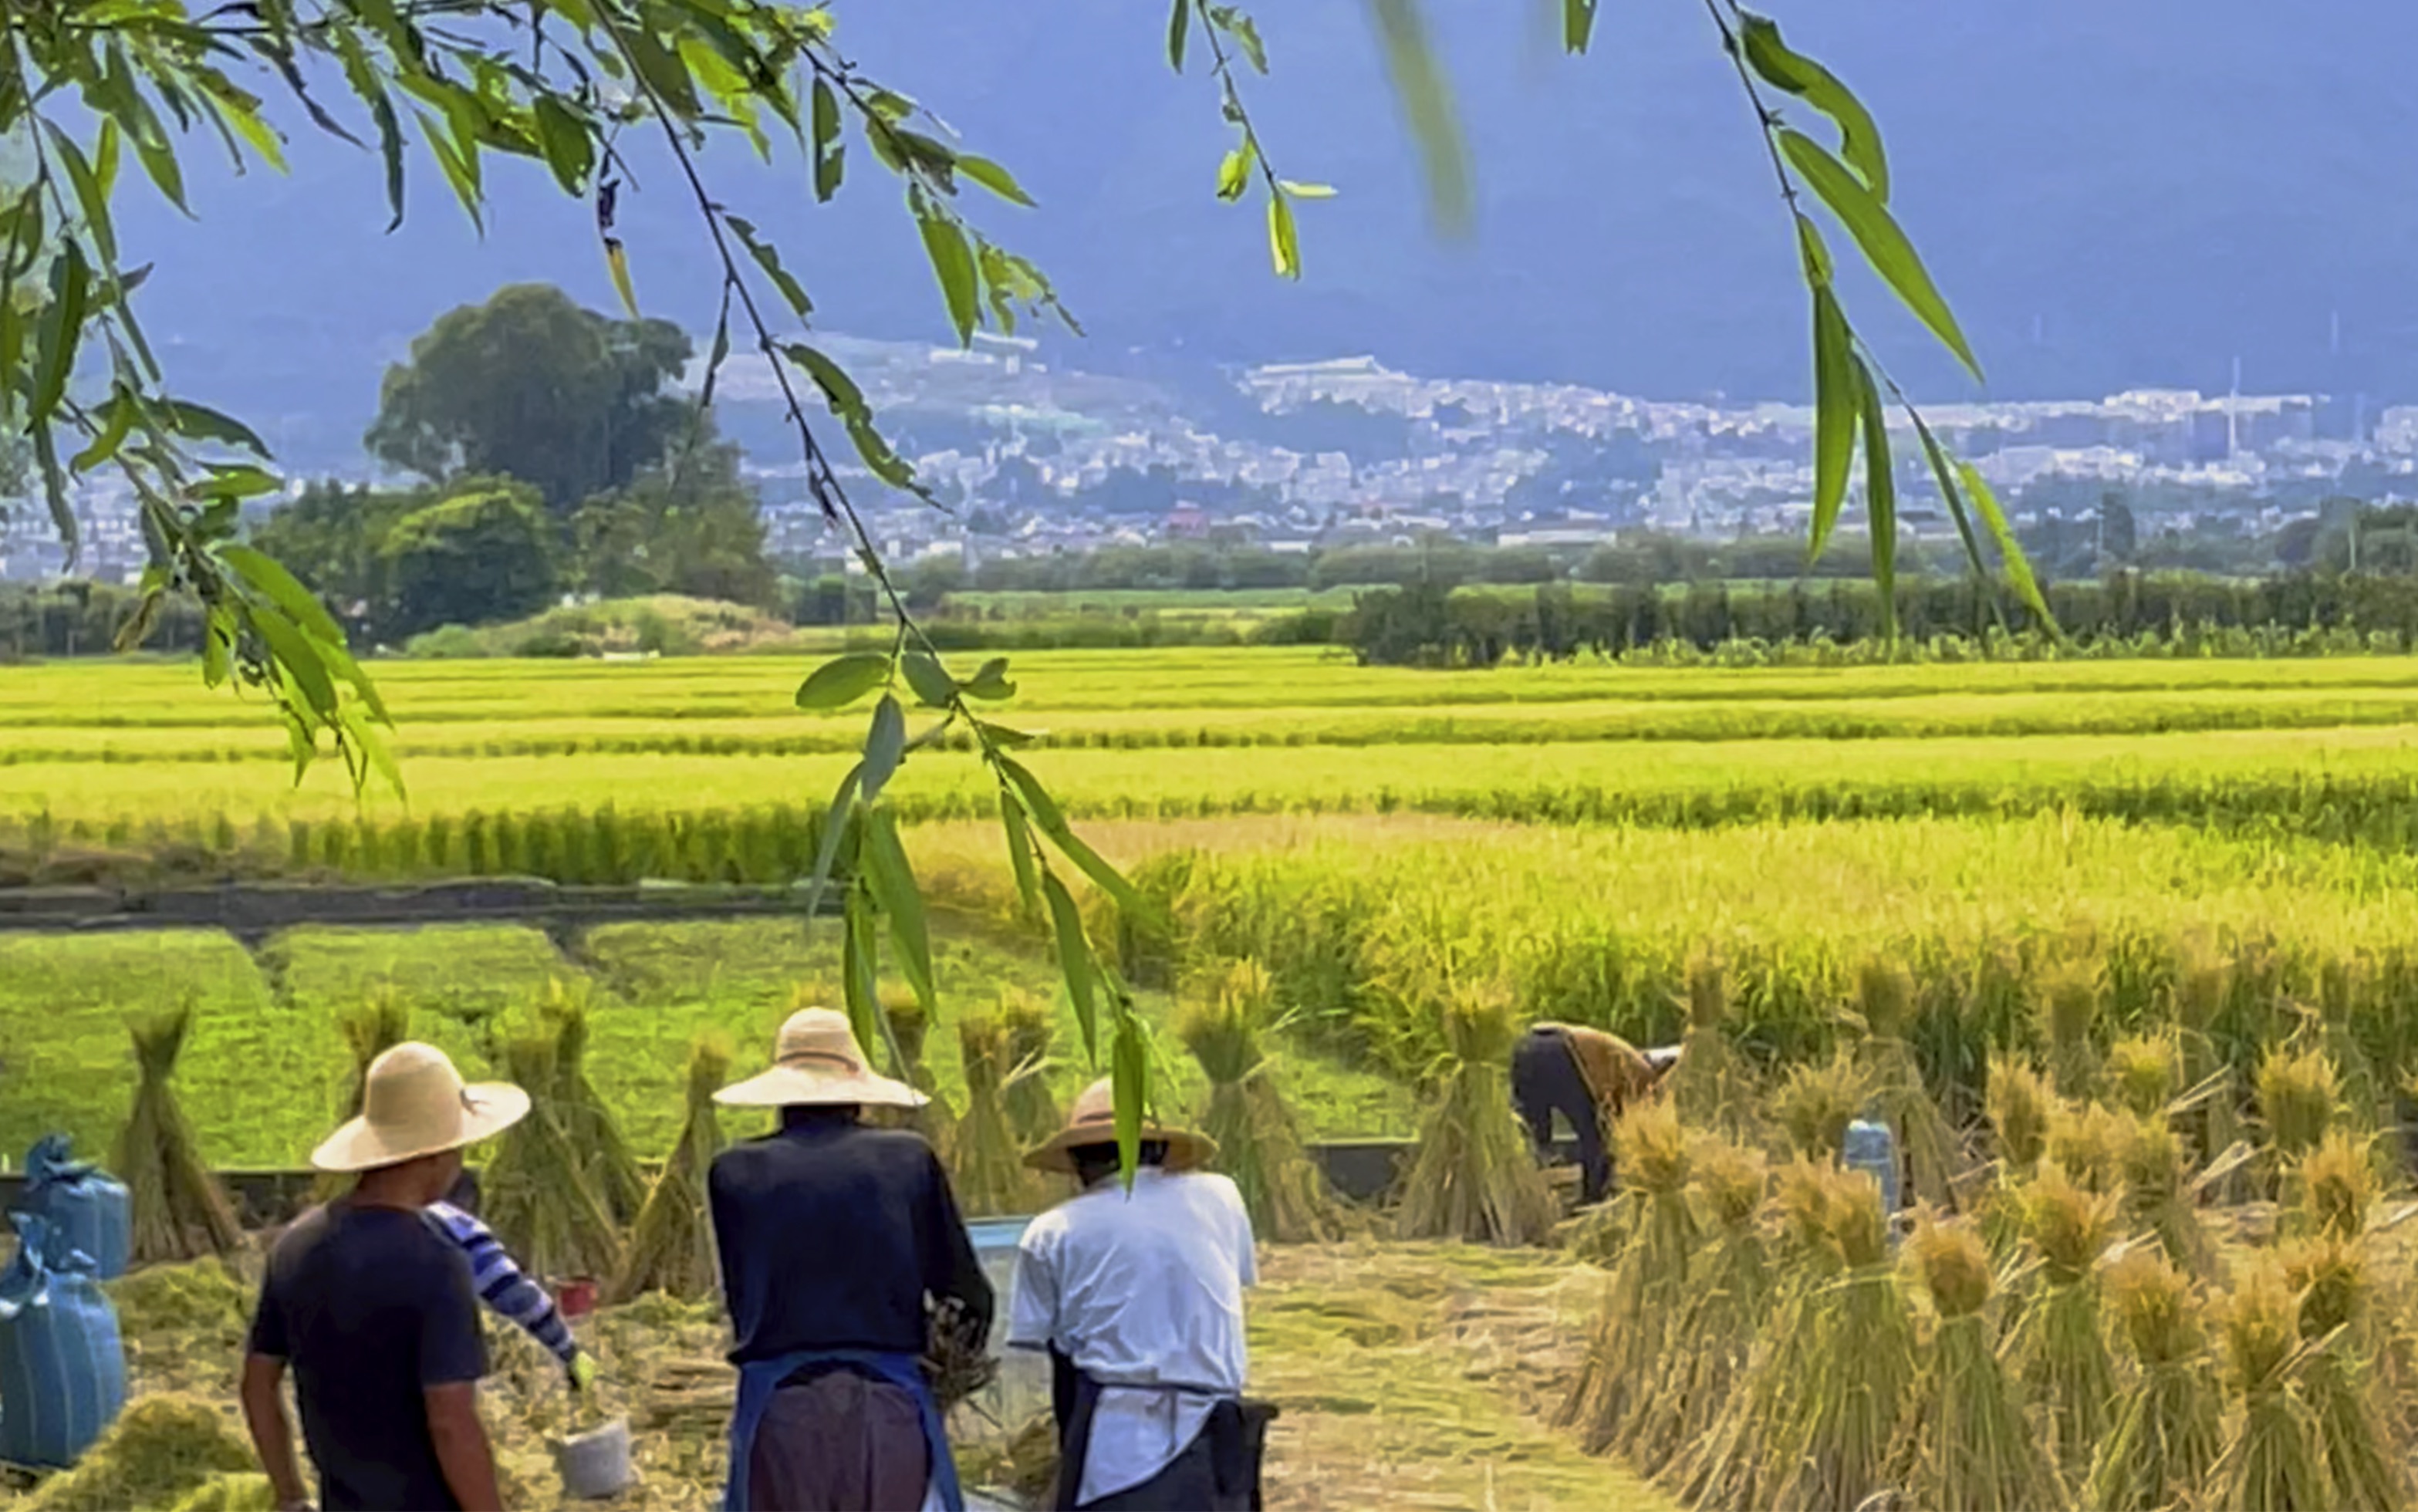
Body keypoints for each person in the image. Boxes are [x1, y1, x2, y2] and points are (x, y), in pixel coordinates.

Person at [708, 1007, 993, 1512]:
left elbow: (741, 1299)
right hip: (888, 1407)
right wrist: (946, 1370)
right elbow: (969, 1298)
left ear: (780, 1095)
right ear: (858, 1092)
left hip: (780, 1412)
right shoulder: (907, 1159)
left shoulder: (733, 1171)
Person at [243, 1042, 529, 1512]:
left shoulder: (294, 1247)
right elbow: (451, 1421)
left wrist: (290, 1495)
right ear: (436, 1155)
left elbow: (257, 1384)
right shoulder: (436, 1263)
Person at [1008, 1079, 1273, 1511]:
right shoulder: (1221, 1197)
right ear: (1159, 1150)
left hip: (1121, 1451)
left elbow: (1060, 1363)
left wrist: (1065, 1468)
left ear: (1078, 1162)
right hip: (1221, 1442)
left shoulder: (1054, 1231)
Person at [424, 1196, 597, 1392]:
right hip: (452, 1380)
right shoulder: (443, 1221)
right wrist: (566, 1350)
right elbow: (512, 1294)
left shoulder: (394, 1230)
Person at [1509, 1022, 1679, 1206]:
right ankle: (1594, 1199)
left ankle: (1521, 1195)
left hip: (1526, 1045)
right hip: (1563, 1052)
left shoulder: (1626, 1056)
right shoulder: (1647, 1079)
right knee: (1595, 1137)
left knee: (1533, 1135)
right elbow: (1616, 1119)